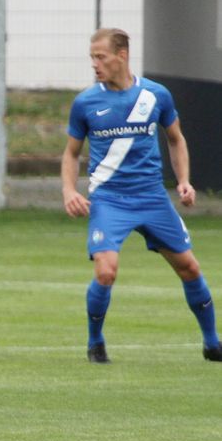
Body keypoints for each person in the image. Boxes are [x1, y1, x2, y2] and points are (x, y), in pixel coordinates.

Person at [62, 28, 219, 364]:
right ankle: (95, 342)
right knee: (106, 271)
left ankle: (212, 343)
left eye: (100, 57)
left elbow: (176, 138)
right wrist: (68, 189)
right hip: (109, 199)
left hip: (151, 198)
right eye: (91, 57)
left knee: (189, 268)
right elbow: (72, 153)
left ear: (122, 56)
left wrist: (184, 181)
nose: (95, 64)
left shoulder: (156, 95)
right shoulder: (86, 102)